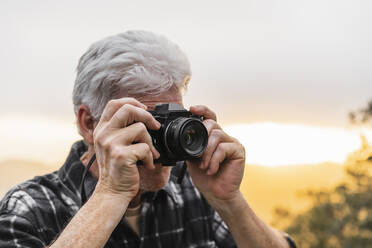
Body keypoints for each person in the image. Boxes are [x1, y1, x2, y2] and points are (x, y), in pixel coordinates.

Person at [0, 30, 296, 248]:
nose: (163, 141)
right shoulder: (29, 208)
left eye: (173, 121)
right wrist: (111, 194)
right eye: (144, 122)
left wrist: (229, 201)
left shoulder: (190, 189)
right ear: (89, 123)